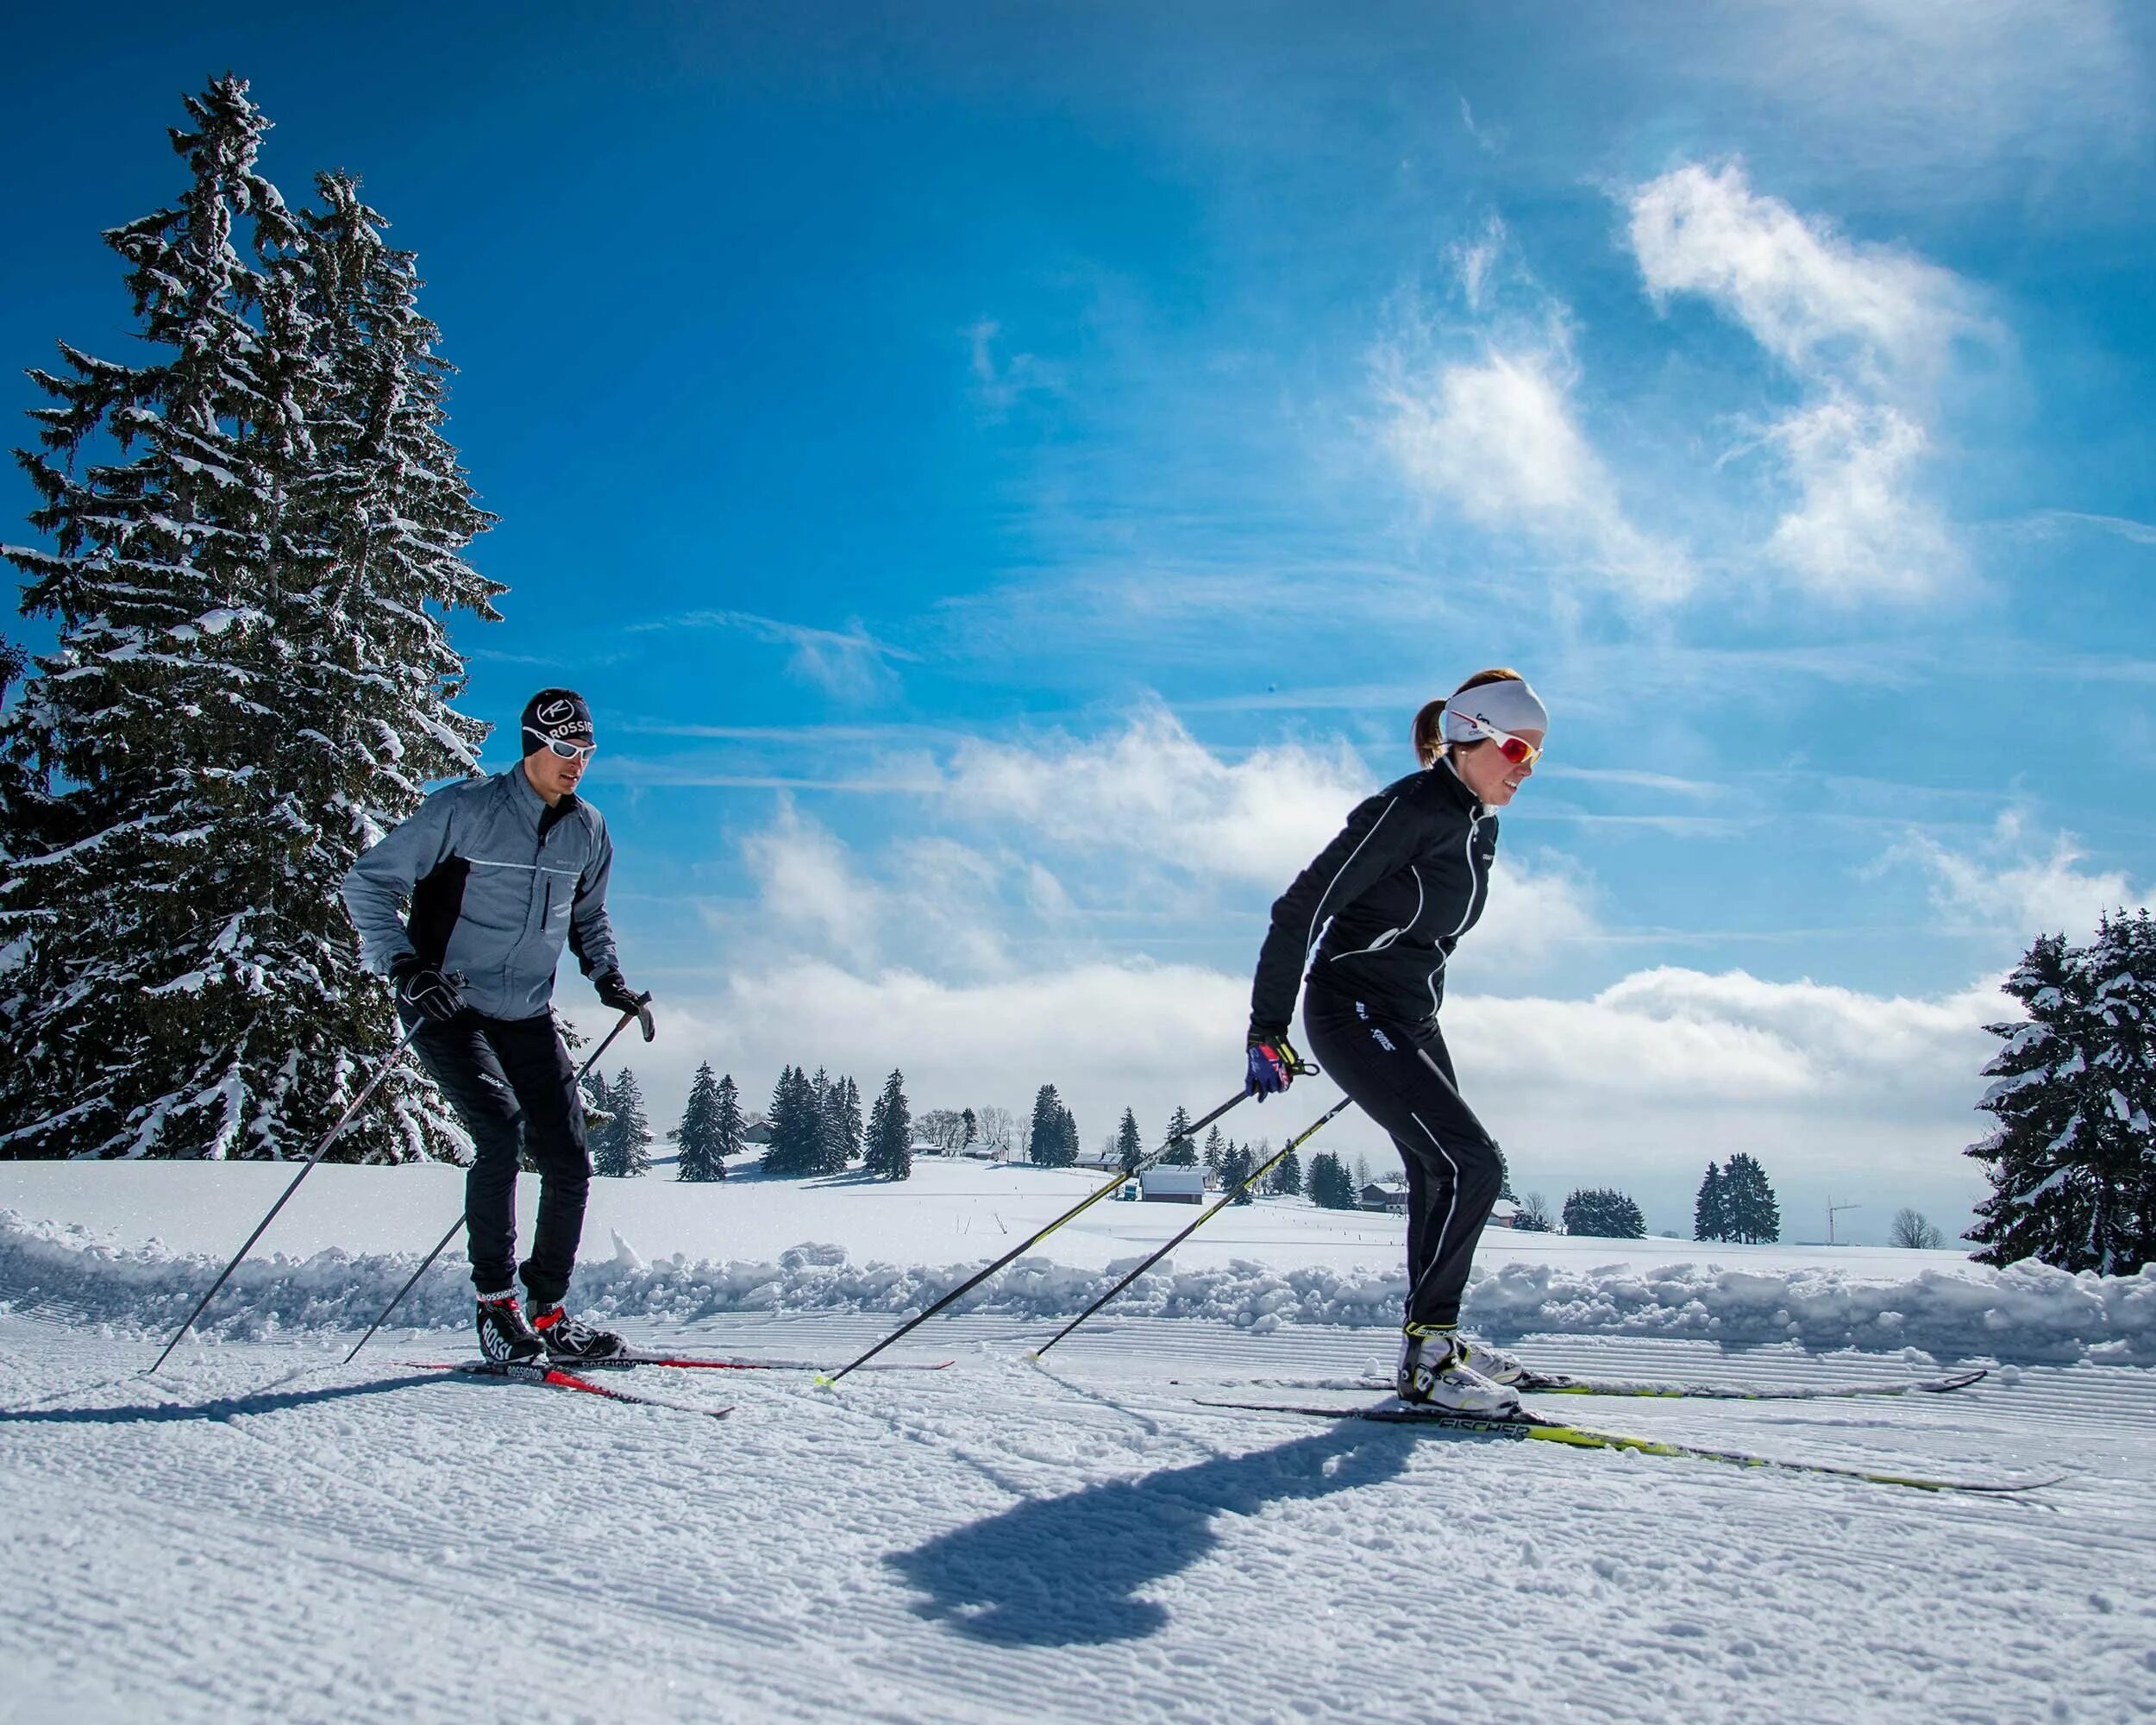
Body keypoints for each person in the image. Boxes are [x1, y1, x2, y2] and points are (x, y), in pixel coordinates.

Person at [1244, 668, 1546, 1414]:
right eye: (1516, 748)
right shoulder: (1405, 811)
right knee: (1473, 1163)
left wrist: (1415, 1029)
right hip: (1350, 1010)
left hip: (1407, 1019)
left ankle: (1435, 1341)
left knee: (1439, 1172)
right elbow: (1299, 909)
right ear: (1470, 734)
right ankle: (1429, 1354)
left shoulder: (1479, 825)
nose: (1525, 769)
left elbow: (1424, 941)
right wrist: (1268, 1029)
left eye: (1536, 757)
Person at [342, 689, 654, 1366]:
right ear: (532, 746)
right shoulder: (466, 809)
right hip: (448, 1004)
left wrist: (609, 981)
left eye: (587, 752)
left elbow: (587, 917)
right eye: (566, 750)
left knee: (569, 1157)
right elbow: (367, 883)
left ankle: (548, 1311)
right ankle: (495, 1308)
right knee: (501, 1131)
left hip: (525, 1010)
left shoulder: (588, 829)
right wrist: (403, 965)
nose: (577, 764)